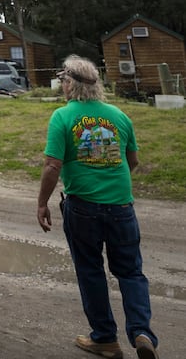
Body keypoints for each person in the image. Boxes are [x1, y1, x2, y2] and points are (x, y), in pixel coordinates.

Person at [37, 55, 159, 359]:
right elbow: (132, 161)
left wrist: (42, 203)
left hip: (82, 207)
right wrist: (111, 182)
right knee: (130, 272)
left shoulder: (62, 116)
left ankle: (105, 339)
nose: (62, 85)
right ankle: (142, 332)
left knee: (91, 271)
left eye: (63, 80)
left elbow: (53, 166)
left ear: (70, 84)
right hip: (121, 207)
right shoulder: (119, 116)